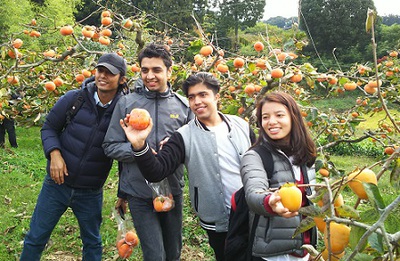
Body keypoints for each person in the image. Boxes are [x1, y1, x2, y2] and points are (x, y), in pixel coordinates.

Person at [119, 72, 256, 261]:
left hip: (252, 210)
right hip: (218, 217)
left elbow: (260, 163)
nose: (197, 101)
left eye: (202, 95)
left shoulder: (241, 125)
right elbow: (157, 171)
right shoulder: (182, 136)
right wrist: (140, 145)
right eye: (192, 97)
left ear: (216, 96)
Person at [20, 52, 127, 261]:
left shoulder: (124, 111)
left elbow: (124, 154)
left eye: (110, 73)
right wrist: (55, 154)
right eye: (100, 71)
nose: (102, 76)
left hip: (90, 191)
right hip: (56, 185)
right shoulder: (74, 98)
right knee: (36, 237)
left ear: (122, 79)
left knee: (92, 242)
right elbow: (49, 128)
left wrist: (123, 192)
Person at [103, 43, 193, 261]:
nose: (150, 76)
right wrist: (138, 150)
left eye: (156, 70)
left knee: (173, 253)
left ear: (169, 71)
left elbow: (193, 148)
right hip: (139, 193)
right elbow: (110, 145)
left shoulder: (183, 107)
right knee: (155, 255)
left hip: (171, 191)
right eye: (145, 70)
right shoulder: (127, 103)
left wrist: (175, 151)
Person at [240, 92, 318, 261]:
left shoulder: (305, 155)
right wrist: (270, 202)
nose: (271, 122)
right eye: (265, 117)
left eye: (279, 115)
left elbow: (311, 200)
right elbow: (254, 193)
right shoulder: (255, 156)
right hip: (272, 253)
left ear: (293, 117)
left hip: (303, 249)